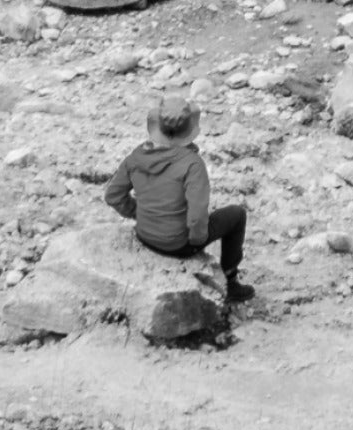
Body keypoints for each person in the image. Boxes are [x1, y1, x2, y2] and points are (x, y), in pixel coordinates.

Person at [99, 99, 248, 304]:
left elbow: (112, 196)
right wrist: (196, 242)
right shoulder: (192, 164)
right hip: (179, 244)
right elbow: (196, 216)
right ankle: (230, 281)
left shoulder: (136, 157)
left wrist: (138, 212)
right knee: (237, 214)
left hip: (144, 235)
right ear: (188, 130)